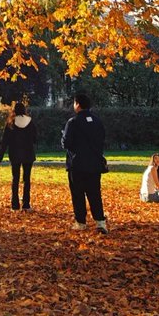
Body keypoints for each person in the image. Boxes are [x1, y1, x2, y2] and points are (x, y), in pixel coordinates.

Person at [61, 91, 108, 233]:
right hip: (94, 164)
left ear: (78, 104)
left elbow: (66, 142)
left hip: (77, 164)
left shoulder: (73, 122)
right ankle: (100, 221)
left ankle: (81, 221)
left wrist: (62, 138)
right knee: (95, 194)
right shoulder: (97, 121)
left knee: (78, 193)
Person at [0, 102, 37, 211]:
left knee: (15, 179)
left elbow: (4, 140)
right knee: (27, 179)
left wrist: (0, 155)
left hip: (15, 153)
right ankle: (26, 204)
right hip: (28, 153)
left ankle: (15, 205)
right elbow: (35, 138)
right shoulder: (30, 122)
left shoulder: (11, 123)